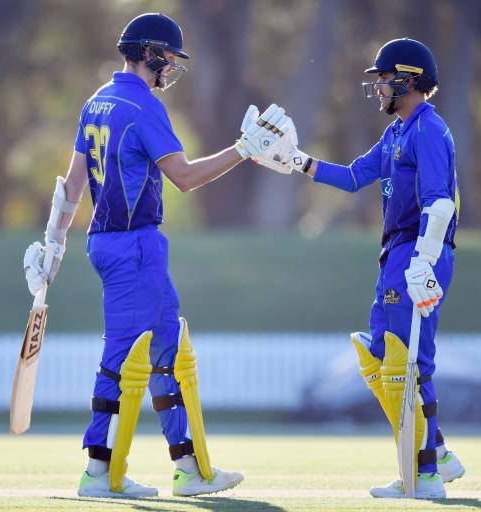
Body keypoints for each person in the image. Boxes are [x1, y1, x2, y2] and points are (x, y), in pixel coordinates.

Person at [23, 12, 289, 499]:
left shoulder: (96, 101)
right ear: (149, 53)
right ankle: (99, 473)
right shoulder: (142, 105)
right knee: (122, 360)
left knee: (167, 348)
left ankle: (187, 467)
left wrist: (53, 245)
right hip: (133, 245)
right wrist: (244, 149)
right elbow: (184, 178)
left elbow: (72, 187)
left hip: (112, 243)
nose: (170, 67)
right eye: (167, 58)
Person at [252, 38, 466, 499]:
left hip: (417, 251)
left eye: (386, 79)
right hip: (396, 253)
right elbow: (352, 177)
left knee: (409, 363)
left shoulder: (428, 130)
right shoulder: (398, 132)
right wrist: (298, 162)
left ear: (409, 79)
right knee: (380, 356)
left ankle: (423, 472)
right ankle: (435, 454)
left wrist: (424, 261)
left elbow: (440, 203)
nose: (380, 87)